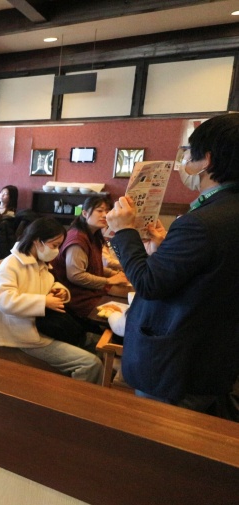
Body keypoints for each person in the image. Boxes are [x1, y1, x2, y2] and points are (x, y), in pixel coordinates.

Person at [105, 113, 239, 416]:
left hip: (177, 365)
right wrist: (166, 249)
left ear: (207, 159)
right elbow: (212, 272)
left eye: (190, 154)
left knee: (155, 436)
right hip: (213, 355)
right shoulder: (226, 213)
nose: (186, 162)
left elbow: (148, 284)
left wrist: (125, 232)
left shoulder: (201, 223)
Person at [0, 217, 103, 383]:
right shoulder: (11, 265)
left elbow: (48, 284)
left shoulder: (40, 263)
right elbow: (2, 299)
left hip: (44, 327)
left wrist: (59, 291)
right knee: (90, 364)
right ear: (37, 241)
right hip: (26, 335)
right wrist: (43, 302)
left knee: (96, 344)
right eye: (54, 245)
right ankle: (73, 398)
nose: (57, 251)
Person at [51, 195, 128, 323]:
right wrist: (109, 280)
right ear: (85, 213)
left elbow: (93, 266)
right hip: (77, 298)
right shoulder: (77, 238)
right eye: (99, 210)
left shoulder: (93, 234)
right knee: (123, 315)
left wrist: (113, 274)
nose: (105, 215)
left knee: (129, 301)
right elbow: (76, 276)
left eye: (107, 211)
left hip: (91, 292)